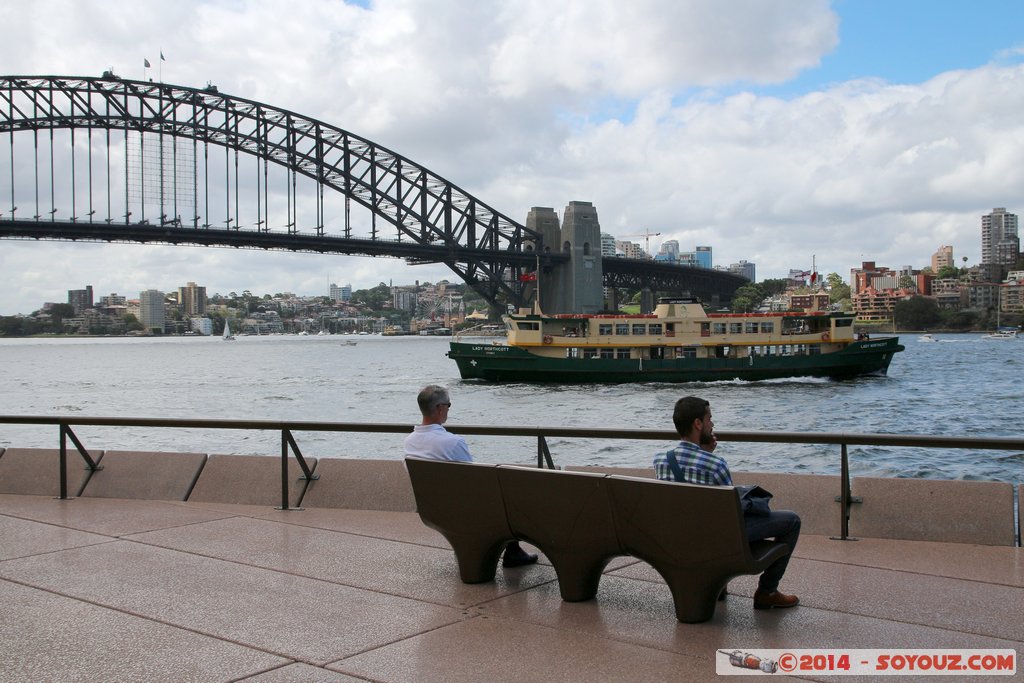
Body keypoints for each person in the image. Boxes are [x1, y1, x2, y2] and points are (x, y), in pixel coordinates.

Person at [653, 396, 801, 610]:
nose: (712, 424)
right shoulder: (716, 464)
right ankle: (767, 591)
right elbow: (732, 517)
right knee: (792, 521)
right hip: (717, 543)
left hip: (678, 541)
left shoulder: (661, 460)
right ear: (698, 423)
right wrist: (708, 455)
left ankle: (717, 584)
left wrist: (704, 453)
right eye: (709, 419)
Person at [404, 384, 538, 568]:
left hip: (430, 510)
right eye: (448, 405)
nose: (448, 409)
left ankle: (488, 549)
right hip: (463, 512)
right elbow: (473, 481)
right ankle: (513, 551)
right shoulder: (453, 442)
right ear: (440, 408)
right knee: (508, 494)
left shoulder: (409, 442)